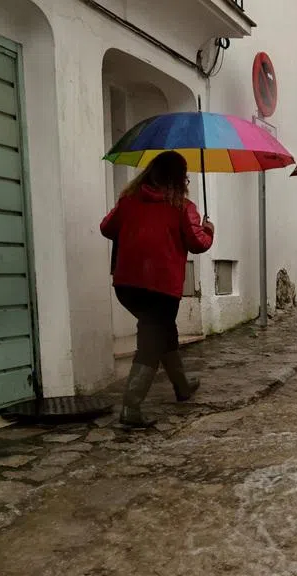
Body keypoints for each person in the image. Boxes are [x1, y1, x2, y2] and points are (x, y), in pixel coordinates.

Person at [100, 151, 215, 428]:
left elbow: (106, 228)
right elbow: (198, 244)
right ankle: (131, 407)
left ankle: (183, 386)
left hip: (127, 284)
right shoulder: (182, 207)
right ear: (179, 178)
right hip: (161, 287)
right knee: (151, 341)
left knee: (163, 330)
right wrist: (208, 229)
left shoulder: (128, 201)